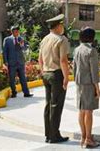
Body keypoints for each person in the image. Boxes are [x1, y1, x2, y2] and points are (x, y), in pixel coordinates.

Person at [38, 14, 70, 144]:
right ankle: (54, 135)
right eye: (61, 25)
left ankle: (48, 134)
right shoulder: (62, 40)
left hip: (46, 73)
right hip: (56, 74)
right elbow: (63, 60)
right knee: (56, 105)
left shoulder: (44, 39)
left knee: (48, 104)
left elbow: (40, 59)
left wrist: (43, 71)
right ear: (58, 26)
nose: (62, 27)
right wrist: (66, 77)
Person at [73, 27, 100, 148]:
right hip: (89, 84)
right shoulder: (91, 51)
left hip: (79, 83)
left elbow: (74, 68)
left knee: (81, 110)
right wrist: (97, 88)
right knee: (88, 111)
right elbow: (94, 71)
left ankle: (83, 137)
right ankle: (88, 139)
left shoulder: (77, 49)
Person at [2, 26, 33, 98]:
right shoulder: (7, 40)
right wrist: (5, 61)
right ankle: (14, 92)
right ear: (12, 32)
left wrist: (22, 45)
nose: (17, 33)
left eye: (17, 31)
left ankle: (26, 93)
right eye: (15, 31)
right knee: (12, 79)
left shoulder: (21, 39)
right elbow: (4, 51)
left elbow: (25, 48)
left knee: (23, 78)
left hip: (20, 62)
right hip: (11, 63)